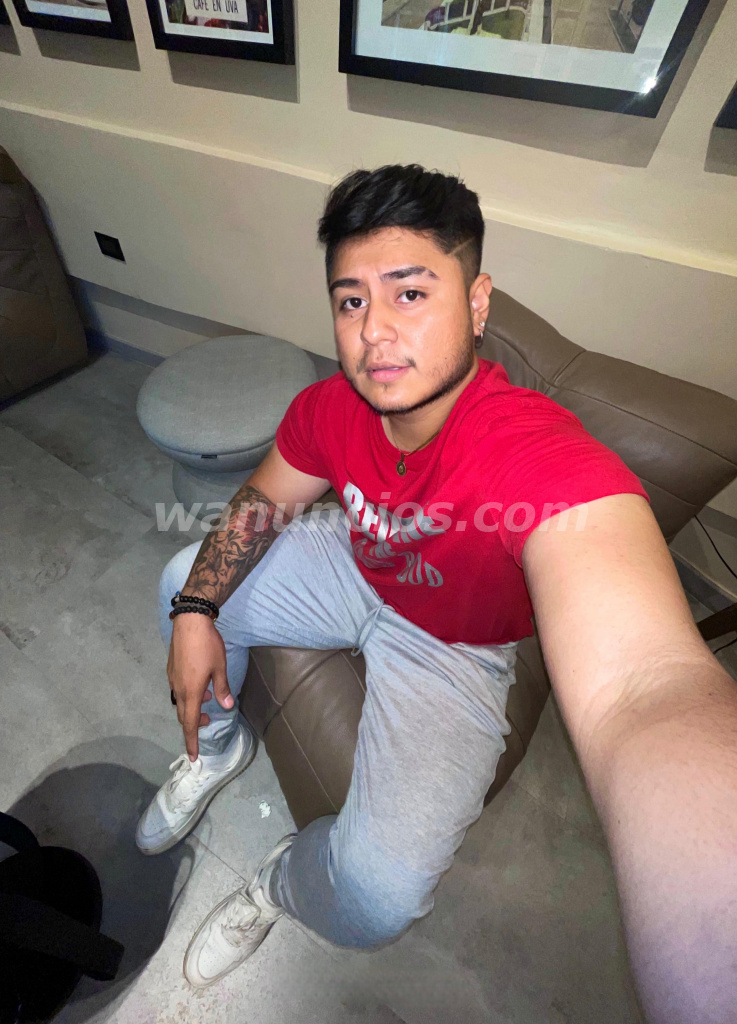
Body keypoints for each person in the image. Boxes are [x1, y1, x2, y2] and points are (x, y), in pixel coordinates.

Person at [136, 165, 737, 1021]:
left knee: (375, 901)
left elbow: (646, 685)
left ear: (477, 303)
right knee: (180, 579)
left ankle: (277, 881)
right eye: (350, 301)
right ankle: (218, 749)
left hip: (453, 647)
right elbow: (265, 500)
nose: (373, 331)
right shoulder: (329, 406)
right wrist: (197, 610)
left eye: (410, 293)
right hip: (356, 559)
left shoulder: (530, 450)